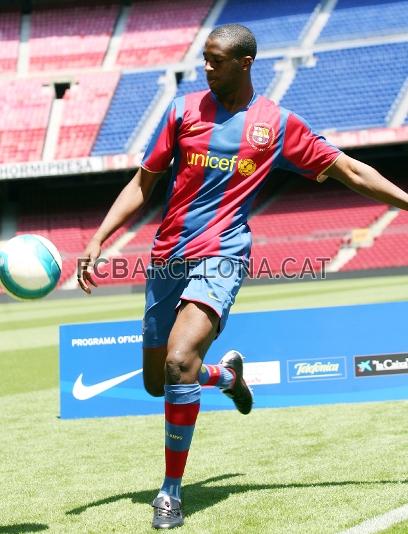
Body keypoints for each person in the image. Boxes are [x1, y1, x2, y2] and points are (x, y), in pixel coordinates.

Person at [78, 23, 408, 529]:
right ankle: (227, 376)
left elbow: (352, 171)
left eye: (215, 60)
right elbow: (145, 182)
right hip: (168, 255)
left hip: (223, 253)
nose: (205, 68)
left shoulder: (275, 124)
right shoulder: (182, 111)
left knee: (180, 358)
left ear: (245, 62)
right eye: (204, 59)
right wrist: (99, 239)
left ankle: (169, 491)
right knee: (156, 382)